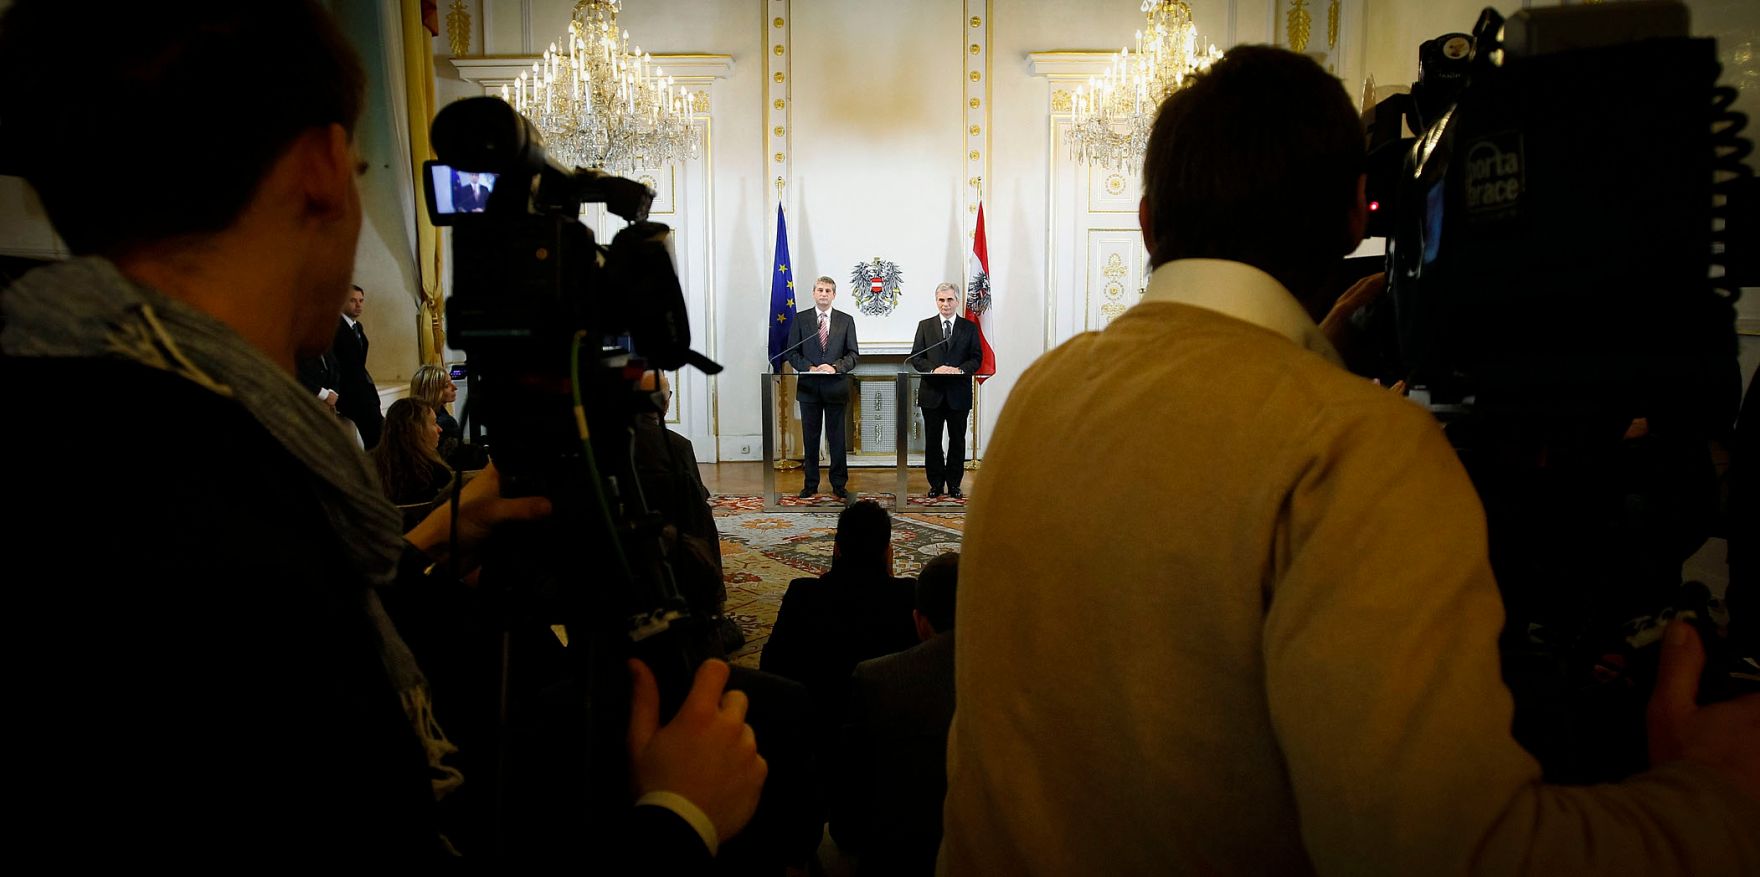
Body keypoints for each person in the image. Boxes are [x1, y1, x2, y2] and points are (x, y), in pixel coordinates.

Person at [940, 45, 1760, 873]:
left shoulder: (1042, 392)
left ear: (1149, 223)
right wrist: (1714, 793)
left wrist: (1311, 363)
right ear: (1357, 219)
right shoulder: (1354, 447)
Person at [0, 0, 764, 865]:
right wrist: (675, 818)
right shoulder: (219, 515)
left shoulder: (91, 420)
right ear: (325, 168)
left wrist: (432, 537)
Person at [830, 551, 959, 877]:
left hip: (894, 859)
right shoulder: (1024, 679)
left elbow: (847, 817)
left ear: (919, 622)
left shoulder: (877, 681)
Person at [760, 500, 916, 749]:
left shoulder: (803, 595)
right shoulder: (907, 597)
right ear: (888, 551)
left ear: (836, 550)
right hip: (887, 741)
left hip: (814, 736)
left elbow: (770, 665)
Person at [785, 276, 858, 500]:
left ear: (834, 295)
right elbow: (792, 352)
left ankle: (838, 485)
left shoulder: (846, 320)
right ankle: (810, 484)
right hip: (809, 388)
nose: (824, 294)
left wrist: (835, 367)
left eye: (828, 290)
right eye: (820, 290)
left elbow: (853, 355)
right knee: (811, 438)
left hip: (835, 387)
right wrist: (810, 367)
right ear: (814, 293)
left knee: (837, 439)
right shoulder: (801, 319)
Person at [908, 283, 982, 499]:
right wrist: (934, 369)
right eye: (941, 300)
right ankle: (936, 484)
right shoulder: (925, 326)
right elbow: (916, 358)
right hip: (932, 394)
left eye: (949, 300)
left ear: (957, 301)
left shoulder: (969, 328)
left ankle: (955, 484)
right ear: (936, 301)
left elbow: (976, 358)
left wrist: (959, 370)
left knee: (957, 441)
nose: (945, 304)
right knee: (932, 441)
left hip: (958, 394)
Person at [372, 397, 453, 510]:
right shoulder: (436, 474)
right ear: (417, 430)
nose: (440, 429)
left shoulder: (367, 468)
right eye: (434, 423)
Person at [334, 283, 383, 449]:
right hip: (349, 393)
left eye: (361, 301)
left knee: (380, 436)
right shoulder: (335, 328)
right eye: (353, 301)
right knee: (376, 438)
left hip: (363, 390)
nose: (358, 305)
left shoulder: (357, 327)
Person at [410, 362, 486, 469]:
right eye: (447, 385)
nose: (455, 387)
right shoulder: (445, 423)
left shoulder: (412, 418)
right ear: (432, 391)